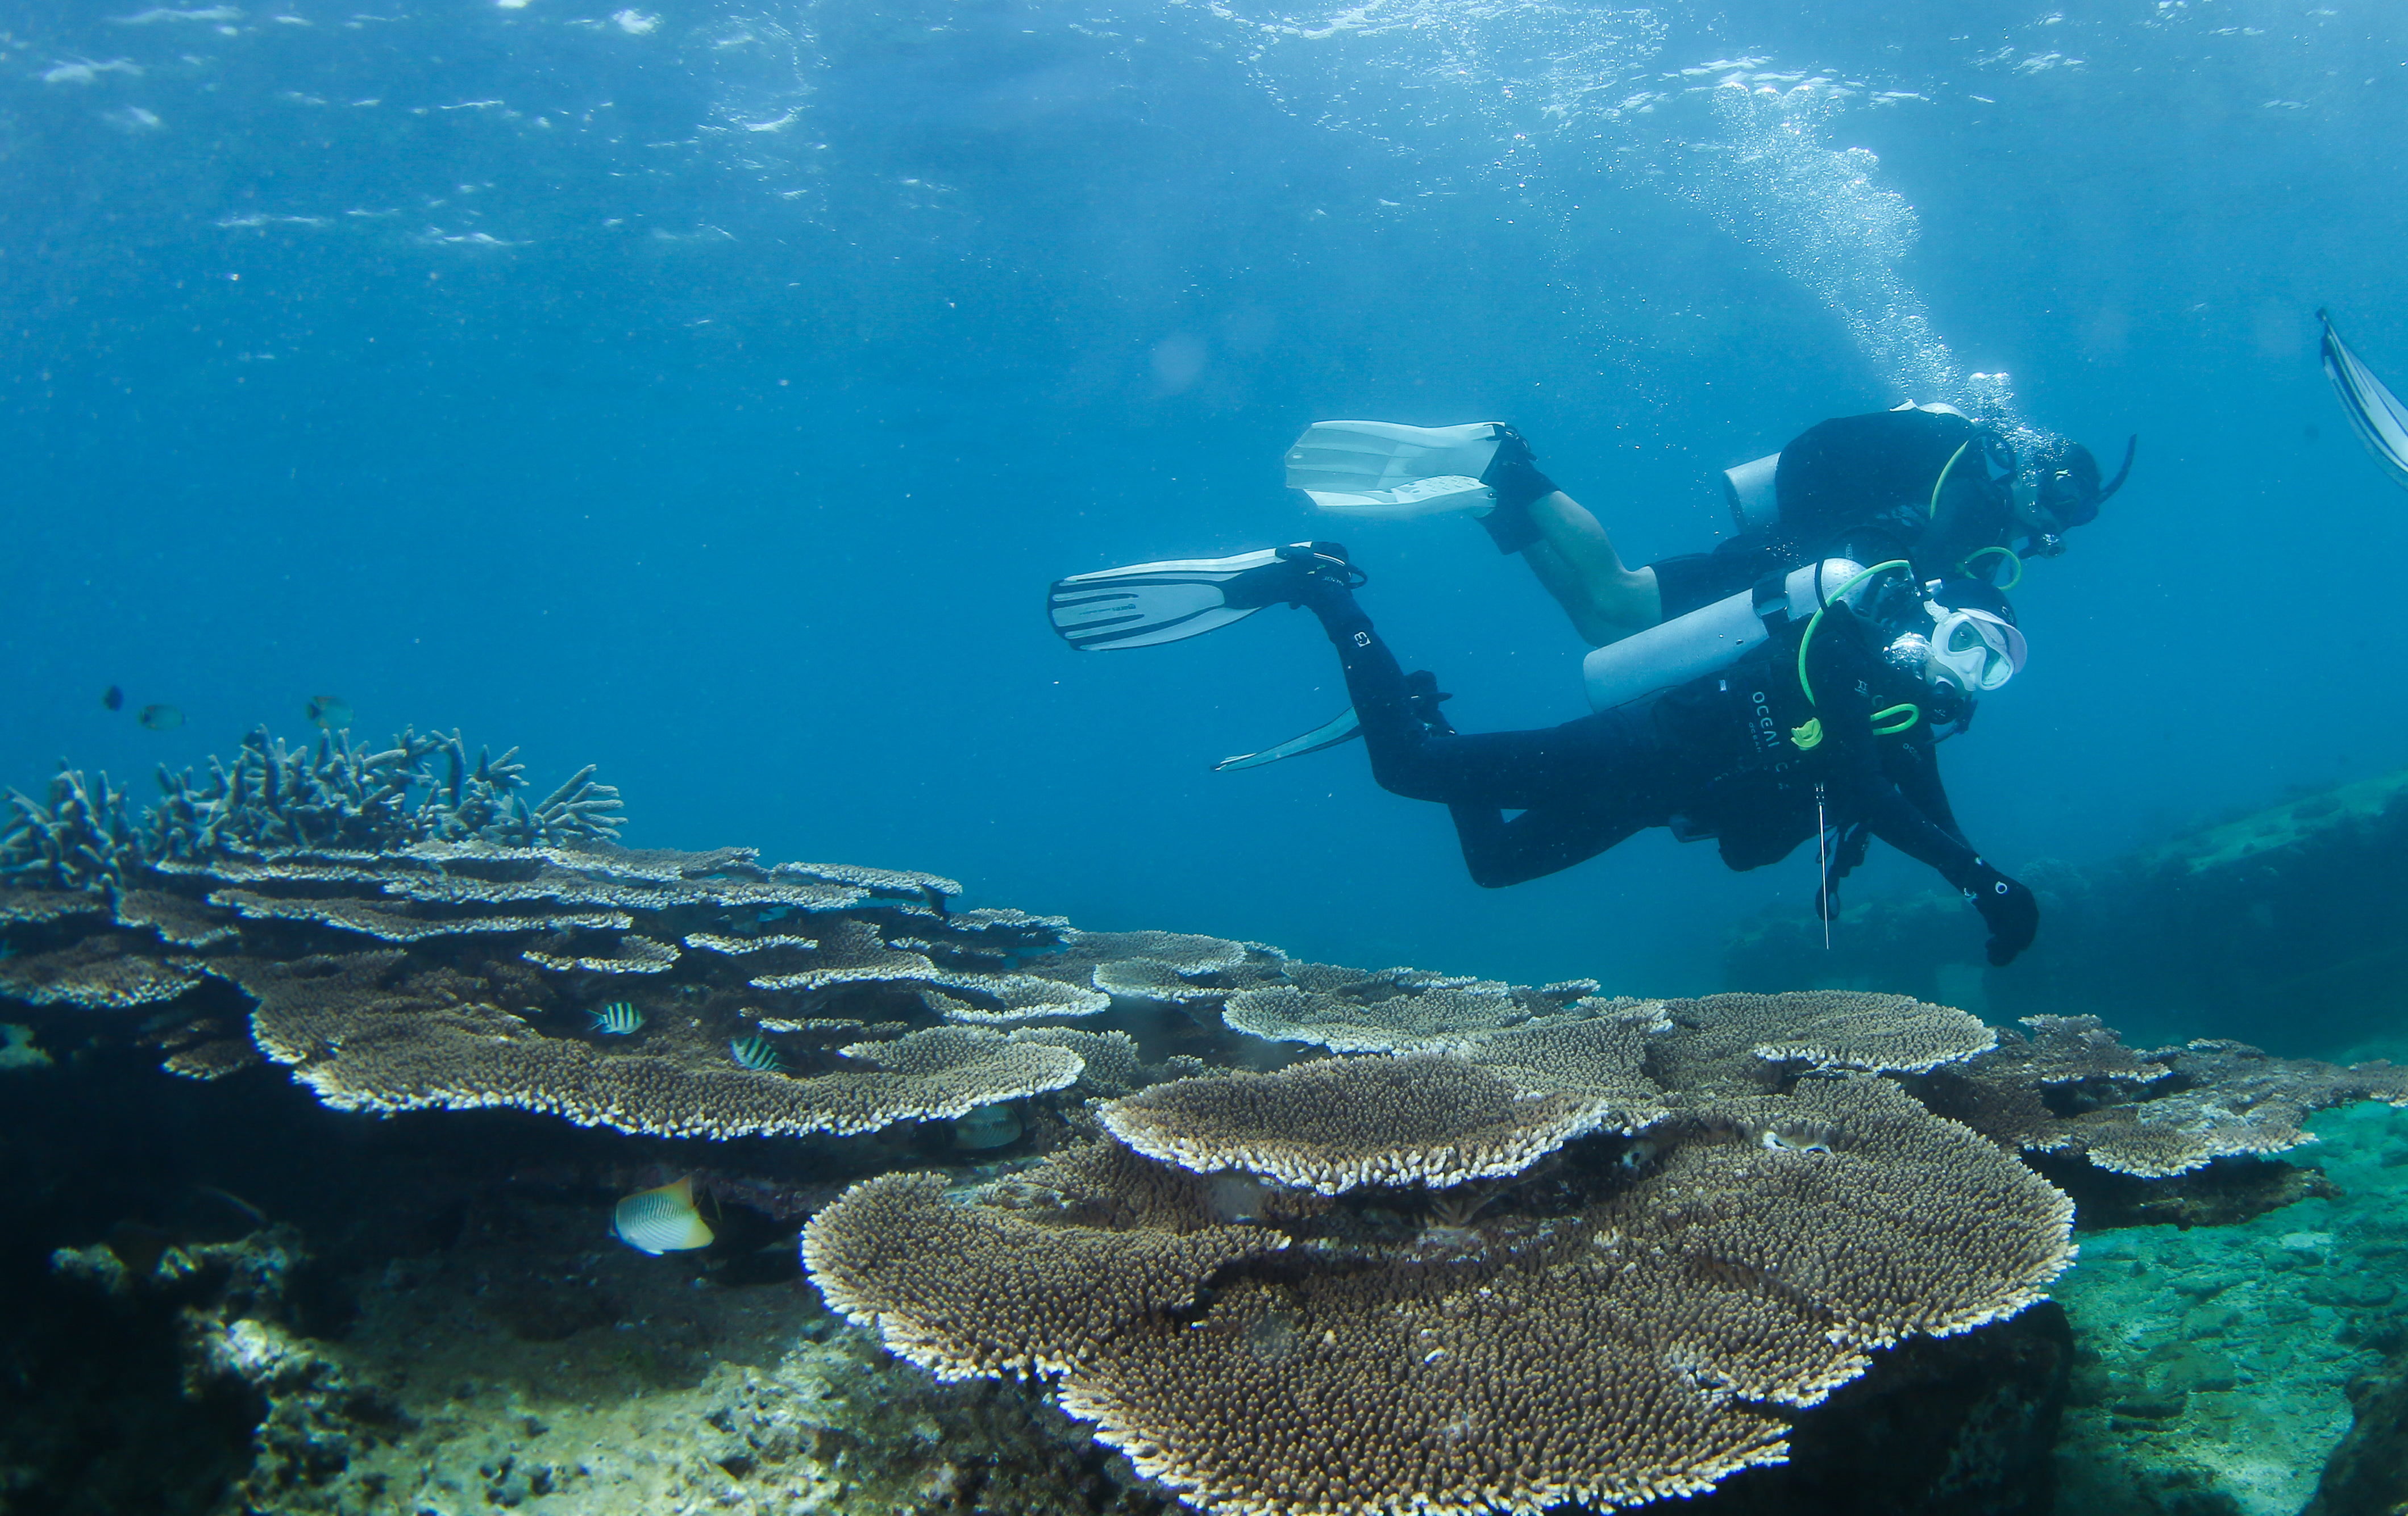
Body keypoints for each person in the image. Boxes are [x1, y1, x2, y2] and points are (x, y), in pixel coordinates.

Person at [1047, 540, 2040, 965]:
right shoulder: (1838, 642)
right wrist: (1978, 878)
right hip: (1627, 749)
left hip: (1651, 800)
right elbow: (1867, 785)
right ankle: (1320, 588)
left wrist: (1979, 883)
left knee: (1494, 866)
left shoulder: (1911, 716)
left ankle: (1419, 712)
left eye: (1991, 674)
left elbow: (1919, 798)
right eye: (1965, 646)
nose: (1963, 678)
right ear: (1930, 620)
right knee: (1408, 775)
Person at [1286, 409, 2132, 648]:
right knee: (1617, 599)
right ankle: (1512, 465)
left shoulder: (1985, 510)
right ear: (2041, 478)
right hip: (1791, 559)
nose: (2062, 528)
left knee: (1597, 630)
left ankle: (1502, 514)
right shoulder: (1969, 483)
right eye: (2066, 507)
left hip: (1804, 562)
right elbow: (1911, 549)